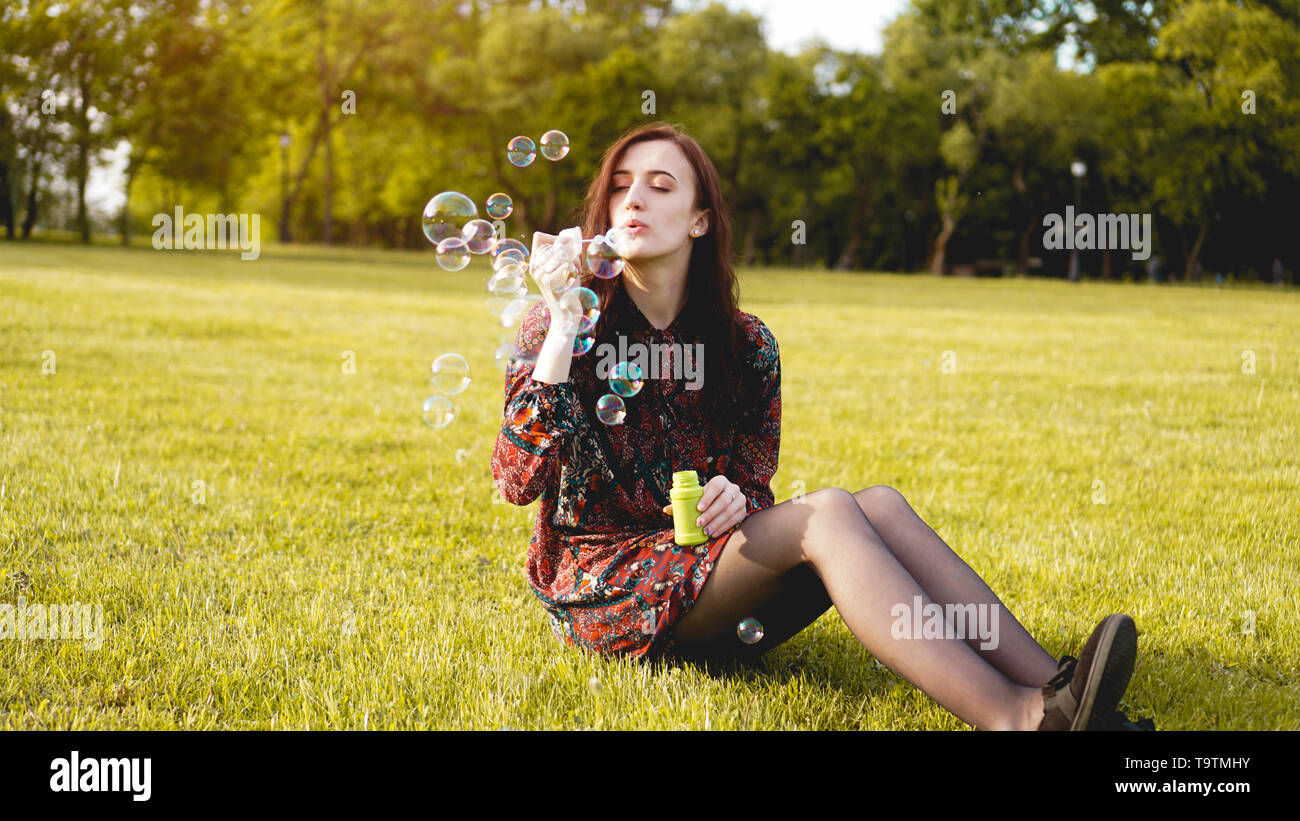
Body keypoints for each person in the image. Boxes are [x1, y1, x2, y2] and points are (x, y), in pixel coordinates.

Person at [490, 121, 1152, 731]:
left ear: (700, 220)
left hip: (704, 572)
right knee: (833, 511)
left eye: (661, 186)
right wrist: (566, 323)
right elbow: (517, 479)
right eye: (621, 186)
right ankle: (1017, 717)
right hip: (604, 586)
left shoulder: (747, 345)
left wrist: (738, 498)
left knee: (882, 507)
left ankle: (1062, 691)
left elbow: (753, 478)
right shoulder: (559, 326)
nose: (634, 197)